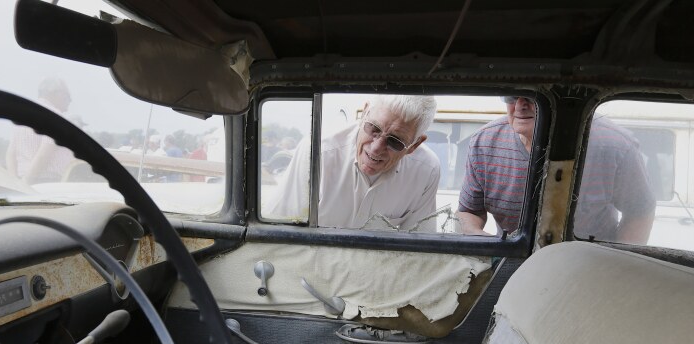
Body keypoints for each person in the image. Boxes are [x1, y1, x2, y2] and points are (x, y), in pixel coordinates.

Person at [458, 97, 656, 243]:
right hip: (514, 265)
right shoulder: (484, 143)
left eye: (531, 95)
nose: (519, 105)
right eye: (511, 95)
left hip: (590, 267)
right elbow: (469, 211)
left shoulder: (615, 146)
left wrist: (615, 265)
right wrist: (488, 247)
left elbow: (640, 211)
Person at [266, 95, 440, 229]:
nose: (376, 148)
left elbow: (417, 249)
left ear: (414, 145)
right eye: (374, 128)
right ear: (364, 113)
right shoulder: (317, 152)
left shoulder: (427, 171)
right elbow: (281, 227)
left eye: (395, 141)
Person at [5, 77, 74, 184]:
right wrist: (26, 182)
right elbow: (45, 152)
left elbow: (10, 153)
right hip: (47, 183)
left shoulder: (22, 115)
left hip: (23, 180)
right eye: (67, 96)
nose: (70, 101)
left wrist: (15, 183)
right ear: (56, 94)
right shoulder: (54, 116)